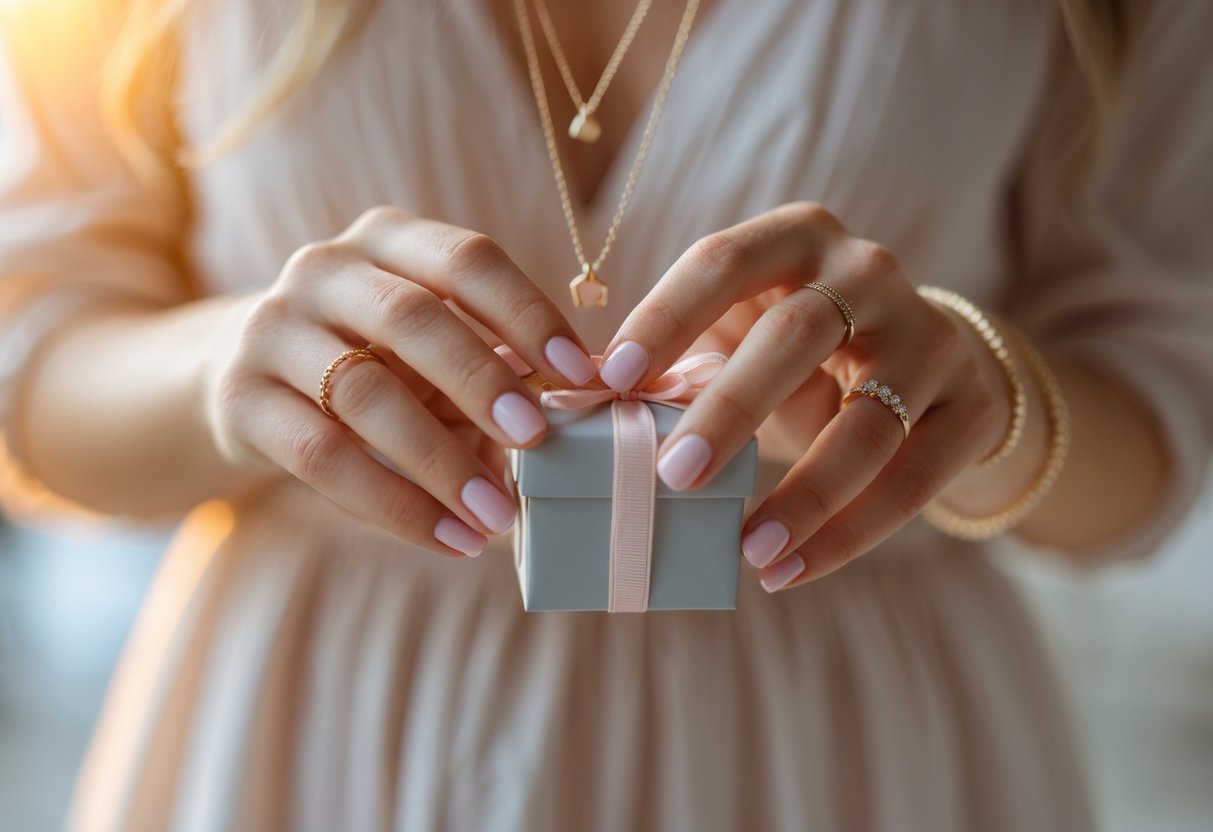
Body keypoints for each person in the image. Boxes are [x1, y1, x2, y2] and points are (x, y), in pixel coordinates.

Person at [1, 0, 1210, 829]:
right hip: (318, 737)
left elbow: (1160, 423)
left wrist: (985, 398)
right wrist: (230, 367)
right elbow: (34, 374)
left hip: (835, 750)